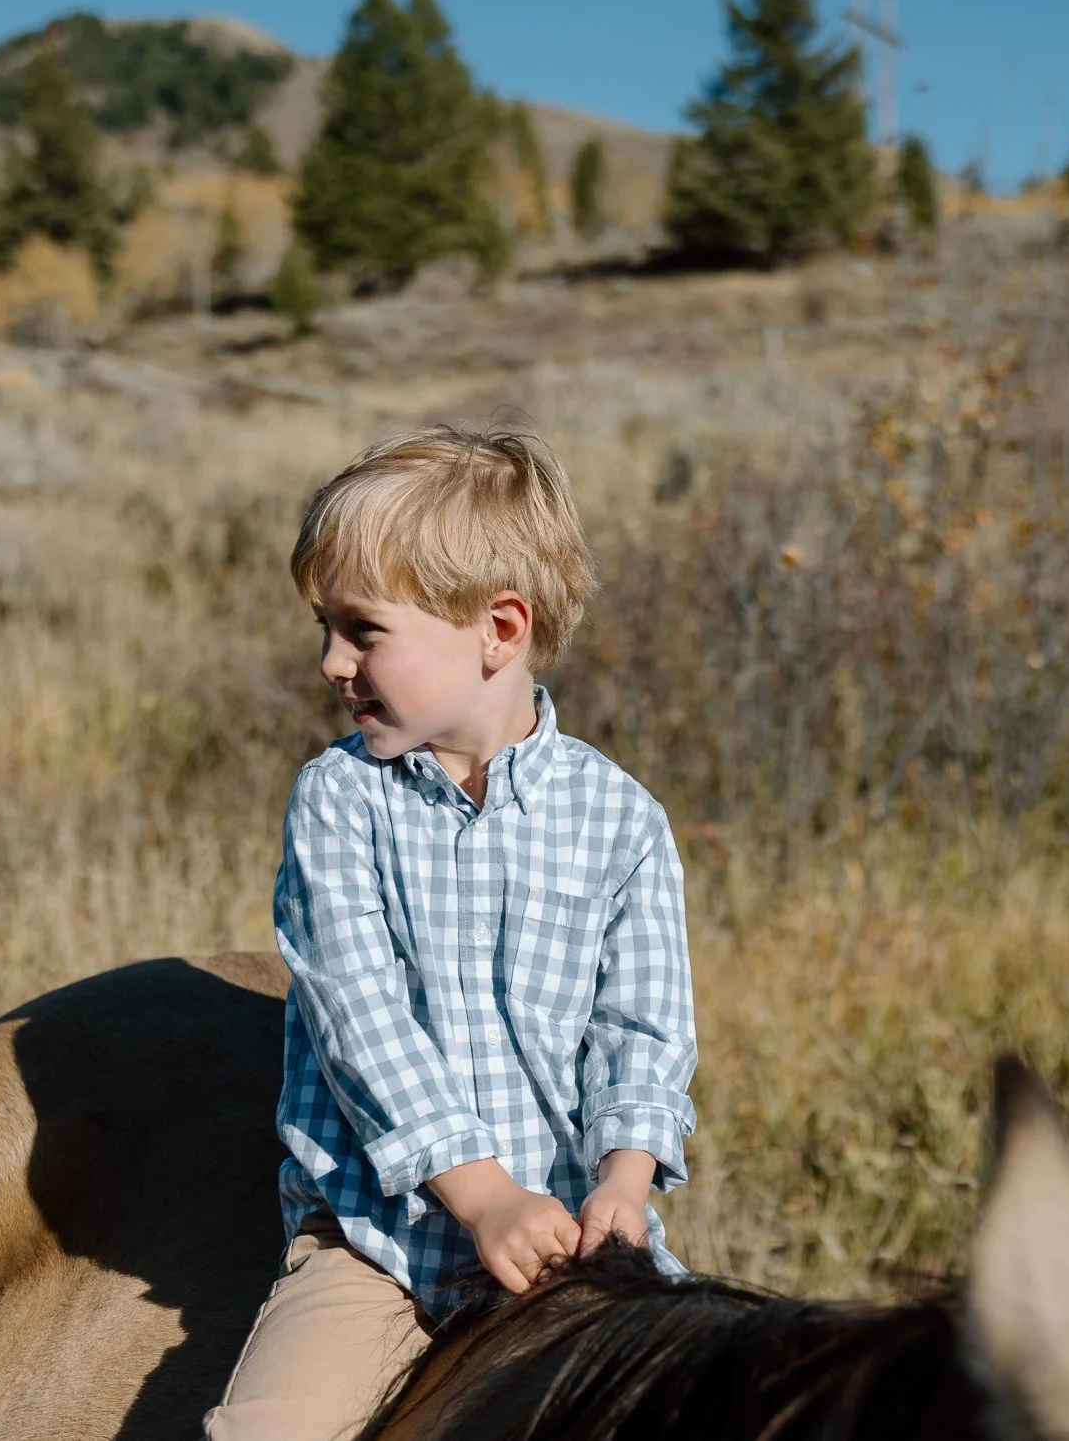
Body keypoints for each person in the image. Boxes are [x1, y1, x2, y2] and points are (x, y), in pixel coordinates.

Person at [203, 423, 698, 1441]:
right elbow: (359, 1019)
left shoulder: (620, 820)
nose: (332, 661)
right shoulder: (340, 800)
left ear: (498, 628)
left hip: (568, 1239)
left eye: (362, 629)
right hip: (384, 1239)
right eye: (324, 628)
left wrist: (622, 1175)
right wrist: (479, 1197)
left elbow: (643, 1028)